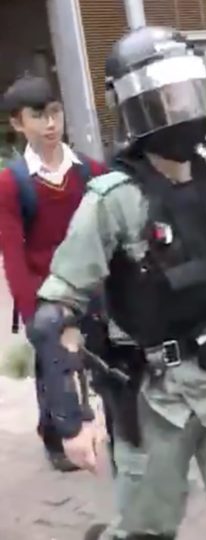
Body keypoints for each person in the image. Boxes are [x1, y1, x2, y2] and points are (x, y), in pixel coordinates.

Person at [27, 26, 206, 539]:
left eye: (187, 90)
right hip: (153, 393)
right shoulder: (114, 201)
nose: (180, 108)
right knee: (148, 534)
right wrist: (72, 416)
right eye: (163, 97)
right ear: (134, 109)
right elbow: (55, 313)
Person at [0, 75, 109, 472]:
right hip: (46, 294)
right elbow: (13, 255)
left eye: (55, 112)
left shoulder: (91, 172)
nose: (50, 124)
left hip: (93, 287)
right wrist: (34, 317)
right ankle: (54, 435)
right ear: (17, 124)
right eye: (38, 116)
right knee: (54, 369)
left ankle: (114, 428)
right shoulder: (12, 184)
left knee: (104, 362)